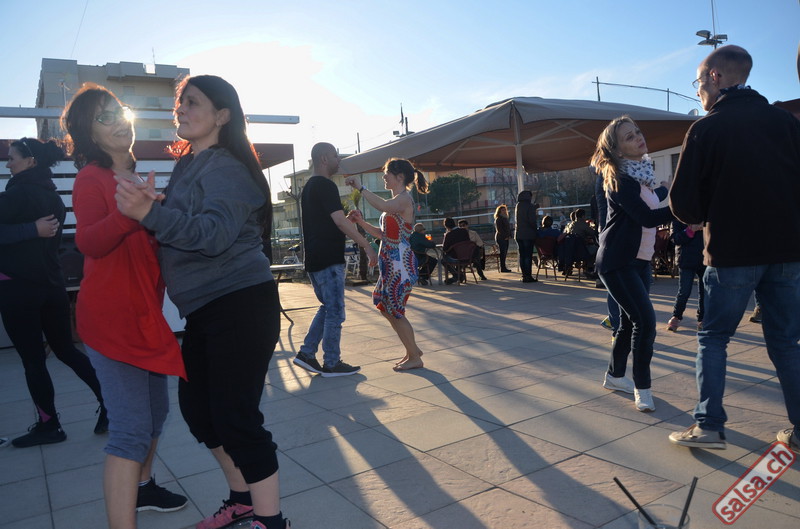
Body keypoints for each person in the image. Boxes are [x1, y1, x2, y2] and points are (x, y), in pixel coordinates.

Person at [115, 75, 290, 529]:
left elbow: (213, 235)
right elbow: (180, 227)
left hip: (240, 302)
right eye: (181, 102)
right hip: (204, 308)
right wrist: (155, 209)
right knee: (200, 413)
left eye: (193, 102)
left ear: (222, 115)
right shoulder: (189, 165)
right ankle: (242, 500)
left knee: (237, 418)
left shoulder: (226, 166)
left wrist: (152, 214)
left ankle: (271, 521)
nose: (181, 109)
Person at [62, 83, 188, 528]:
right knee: (131, 429)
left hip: (142, 315)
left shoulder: (135, 179)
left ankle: (144, 487)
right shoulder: (91, 178)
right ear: (89, 133)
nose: (118, 121)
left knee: (156, 414)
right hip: (112, 319)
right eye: (104, 117)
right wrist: (129, 215)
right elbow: (88, 242)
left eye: (118, 111)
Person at [668, 45, 800, 452]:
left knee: (714, 337)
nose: (698, 92)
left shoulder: (706, 129)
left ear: (715, 77)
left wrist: (706, 213)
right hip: (788, 251)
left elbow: (683, 203)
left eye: (698, 82)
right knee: (786, 342)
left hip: (731, 252)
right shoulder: (786, 122)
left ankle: (709, 426)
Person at [0, 137, 107, 448]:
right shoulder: (54, 198)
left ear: (30, 161)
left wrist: (27, 230)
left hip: (18, 288)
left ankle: (49, 426)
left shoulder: (14, 196)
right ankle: (112, 404)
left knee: (33, 360)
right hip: (52, 286)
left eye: (12, 158)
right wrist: (32, 230)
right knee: (66, 350)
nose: (8, 164)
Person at [591, 116, 673, 412]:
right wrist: (684, 211)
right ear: (618, 150)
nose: (638, 137)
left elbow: (651, 199)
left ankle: (614, 376)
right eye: (629, 137)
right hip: (617, 262)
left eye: (637, 132)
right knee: (645, 323)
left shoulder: (641, 177)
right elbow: (647, 217)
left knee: (628, 322)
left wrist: (665, 189)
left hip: (639, 261)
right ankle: (643, 388)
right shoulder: (620, 180)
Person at [291, 142, 377, 377]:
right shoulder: (325, 185)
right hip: (328, 258)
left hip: (316, 257)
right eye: (335, 156)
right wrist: (367, 245)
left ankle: (307, 353)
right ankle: (331, 362)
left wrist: (348, 220)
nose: (339, 160)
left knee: (328, 308)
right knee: (336, 311)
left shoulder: (309, 187)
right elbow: (339, 222)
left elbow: (331, 221)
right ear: (324, 159)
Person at [344, 158, 429, 370]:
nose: (384, 177)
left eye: (387, 173)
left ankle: (414, 356)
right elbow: (382, 234)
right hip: (391, 265)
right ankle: (412, 350)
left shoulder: (403, 200)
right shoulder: (396, 202)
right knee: (385, 307)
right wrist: (360, 222)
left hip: (400, 265)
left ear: (399, 177)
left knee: (395, 311)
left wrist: (361, 187)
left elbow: (383, 205)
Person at [666, 221, 705, 332]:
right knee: (684, 291)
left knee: (705, 292)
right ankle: (676, 316)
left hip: (704, 258)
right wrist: (691, 229)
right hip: (686, 259)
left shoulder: (706, 214)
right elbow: (675, 239)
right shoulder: (679, 216)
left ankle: (703, 318)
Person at [514, 190, 538, 283]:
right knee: (528, 255)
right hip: (528, 234)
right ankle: (528, 276)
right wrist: (535, 229)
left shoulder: (518, 205)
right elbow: (531, 220)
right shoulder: (530, 206)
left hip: (518, 234)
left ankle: (524, 275)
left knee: (522, 256)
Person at [441, 217, 469, 284]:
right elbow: (468, 242)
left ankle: (457, 275)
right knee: (457, 257)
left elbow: (445, 249)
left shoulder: (449, 235)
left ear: (446, 226)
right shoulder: (464, 231)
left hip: (455, 257)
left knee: (443, 260)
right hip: (467, 255)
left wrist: (445, 236)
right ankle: (458, 275)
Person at [493, 204, 513, 272]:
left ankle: (503, 267)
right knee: (503, 253)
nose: (504, 211)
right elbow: (500, 229)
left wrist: (509, 235)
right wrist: (505, 236)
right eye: (502, 210)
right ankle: (503, 267)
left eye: (505, 210)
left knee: (504, 253)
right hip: (501, 238)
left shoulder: (505, 218)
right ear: (499, 211)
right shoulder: (499, 219)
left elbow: (508, 228)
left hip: (505, 237)